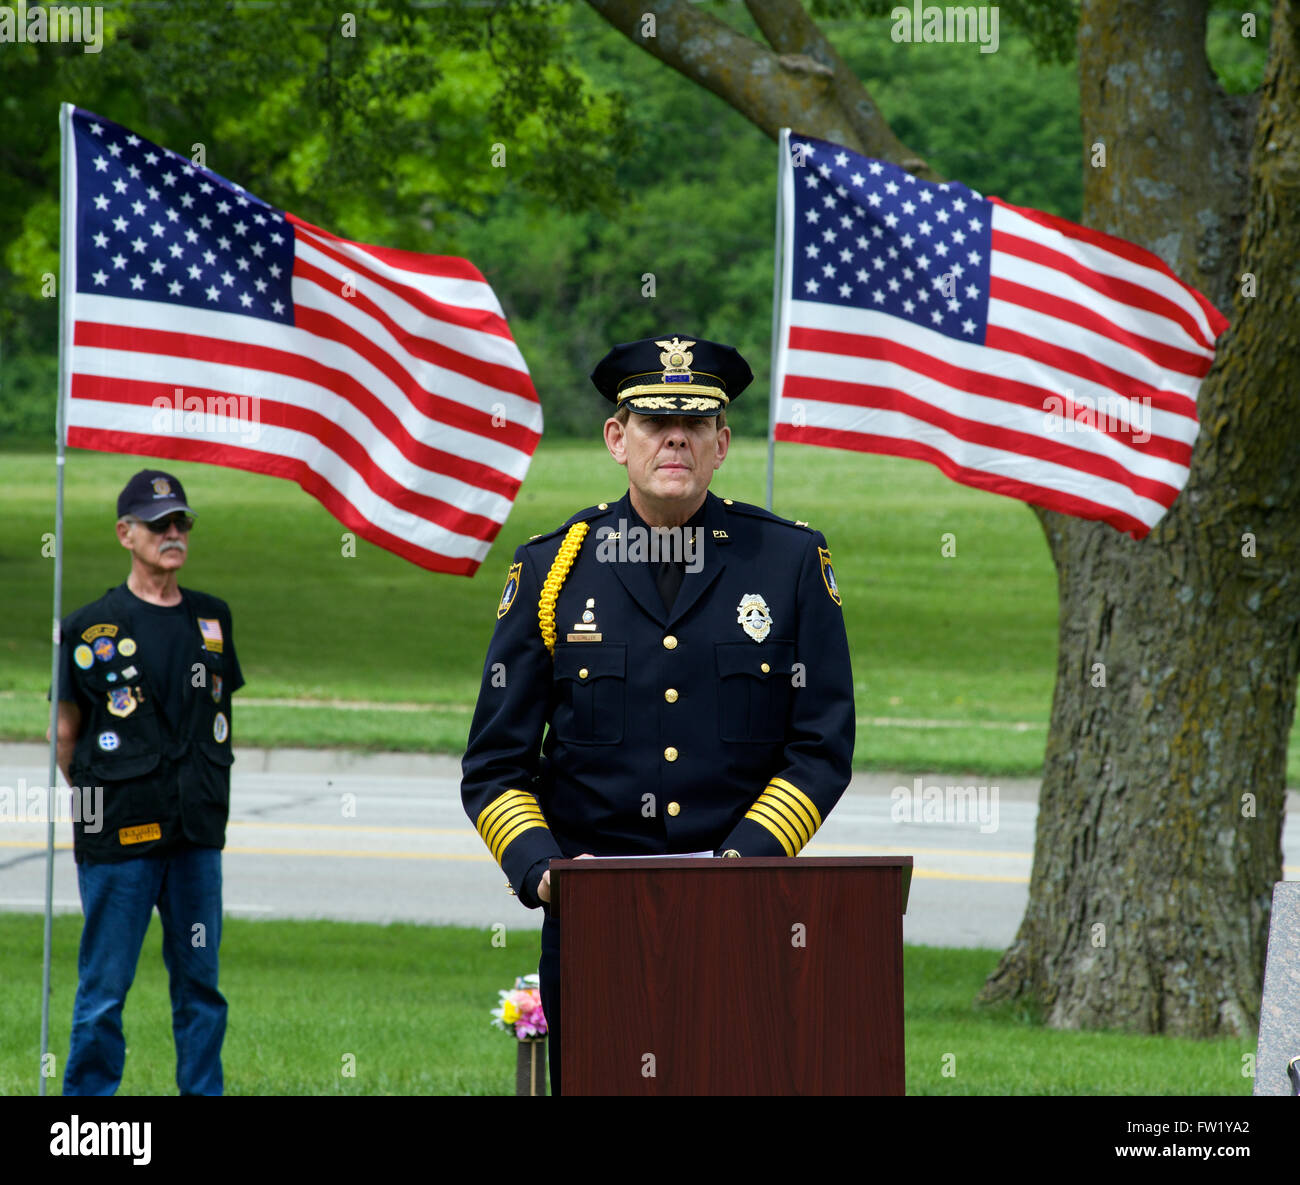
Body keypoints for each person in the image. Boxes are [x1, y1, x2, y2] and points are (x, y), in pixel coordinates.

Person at [461, 335, 855, 1095]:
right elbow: (495, 767)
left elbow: (820, 747)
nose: (675, 437)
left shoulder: (788, 562)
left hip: (741, 916)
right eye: (652, 421)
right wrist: (546, 872)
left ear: (722, 444)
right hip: (594, 922)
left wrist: (739, 868)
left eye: (696, 423)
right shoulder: (553, 569)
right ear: (617, 439)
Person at [52, 469, 244, 1096]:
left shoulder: (213, 618)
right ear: (125, 533)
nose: (173, 533)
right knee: (104, 990)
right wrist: (99, 811)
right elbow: (65, 737)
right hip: (119, 839)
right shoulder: (89, 627)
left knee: (200, 988)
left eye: (181, 522)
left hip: (195, 833)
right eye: (159, 523)